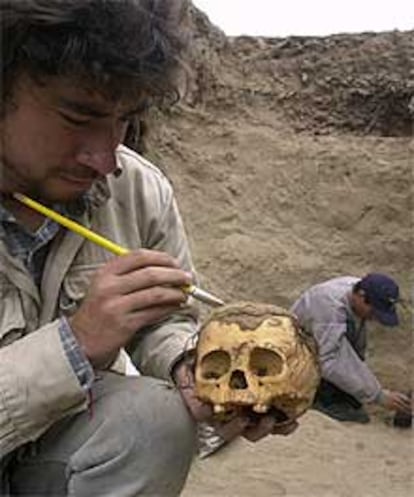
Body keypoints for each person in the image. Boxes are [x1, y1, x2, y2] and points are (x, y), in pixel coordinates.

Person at [0, 1, 297, 495]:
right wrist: (72, 346)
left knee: (154, 418)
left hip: (47, 451)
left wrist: (194, 366)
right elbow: (81, 343)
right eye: (79, 116)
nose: (105, 158)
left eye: (125, 119)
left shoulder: (137, 190)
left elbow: (167, 319)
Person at [290, 273, 411, 424]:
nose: (375, 317)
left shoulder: (357, 290)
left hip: (322, 343)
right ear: (361, 295)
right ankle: (318, 399)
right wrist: (378, 395)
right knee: (357, 417)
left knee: (354, 403)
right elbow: (329, 360)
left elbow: (353, 351)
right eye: (373, 311)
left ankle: (338, 395)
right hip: (298, 354)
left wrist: (367, 388)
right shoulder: (329, 306)